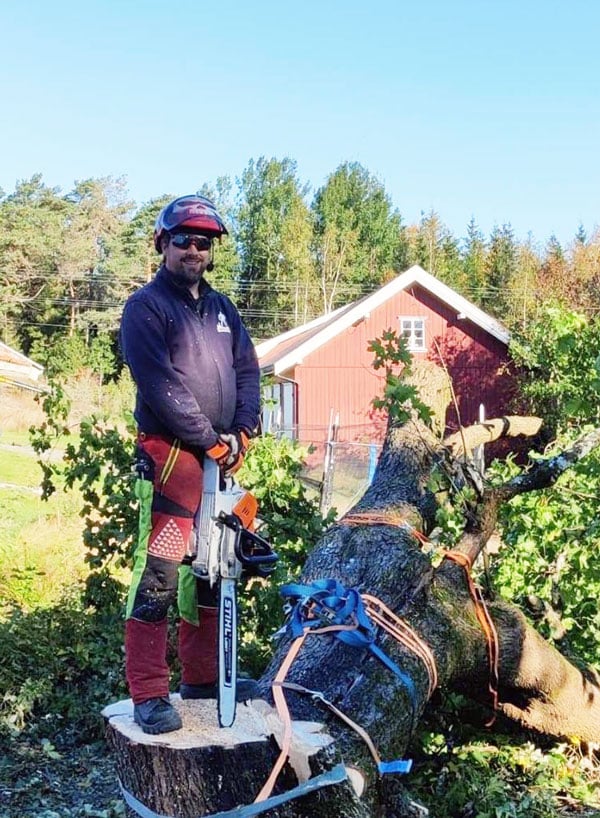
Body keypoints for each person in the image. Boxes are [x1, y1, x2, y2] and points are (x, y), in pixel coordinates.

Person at [119, 194, 261, 734]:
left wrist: (242, 430)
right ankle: (149, 691)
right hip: (171, 456)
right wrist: (208, 438)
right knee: (159, 571)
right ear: (163, 243)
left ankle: (203, 677)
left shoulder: (223, 310)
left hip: (221, 458)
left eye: (204, 242)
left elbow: (248, 371)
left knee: (216, 564)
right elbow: (160, 384)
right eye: (184, 240)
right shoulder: (146, 307)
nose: (194, 250)